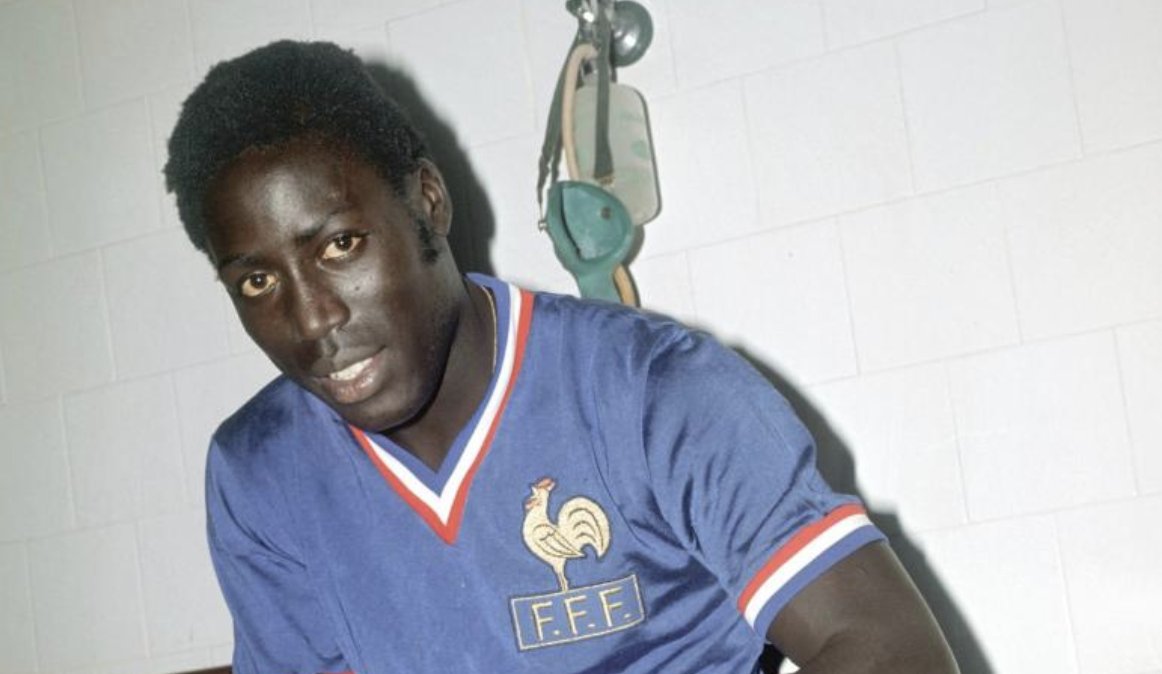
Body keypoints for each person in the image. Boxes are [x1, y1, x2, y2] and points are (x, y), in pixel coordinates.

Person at [165, 40, 958, 674]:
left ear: (428, 202)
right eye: (259, 281)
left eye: (341, 245)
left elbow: (890, 651)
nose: (312, 319)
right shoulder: (261, 472)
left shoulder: (656, 393)